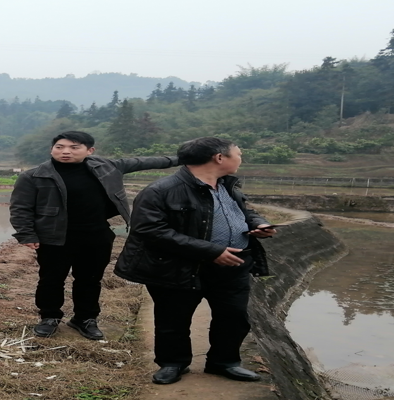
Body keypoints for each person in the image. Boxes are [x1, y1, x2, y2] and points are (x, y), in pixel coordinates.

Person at [113, 137, 278, 385]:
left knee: (233, 316)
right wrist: (210, 251)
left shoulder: (227, 185)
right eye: (238, 154)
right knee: (173, 319)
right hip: (178, 267)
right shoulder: (160, 191)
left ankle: (224, 361)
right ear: (219, 158)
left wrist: (259, 224)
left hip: (233, 265)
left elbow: (244, 212)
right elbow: (150, 230)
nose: (240, 159)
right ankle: (173, 363)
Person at [9, 131, 178, 340]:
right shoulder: (33, 176)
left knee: (90, 280)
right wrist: (26, 234)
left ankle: (85, 318)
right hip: (54, 237)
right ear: (52, 149)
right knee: (51, 279)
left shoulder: (107, 167)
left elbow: (143, 162)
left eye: (74, 147)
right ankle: (49, 317)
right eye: (60, 147)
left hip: (96, 235)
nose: (65, 152)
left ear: (90, 150)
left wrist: (183, 159)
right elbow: (20, 208)